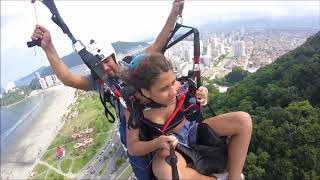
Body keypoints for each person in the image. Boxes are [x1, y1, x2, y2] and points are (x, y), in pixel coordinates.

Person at [30, 0, 185, 179]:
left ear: (113, 56)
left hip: (156, 119)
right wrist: (48, 46)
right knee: (144, 170)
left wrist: (174, 13)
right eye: (98, 65)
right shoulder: (101, 83)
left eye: (106, 61)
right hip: (132, 129)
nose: (104, 68)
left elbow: (159, 44)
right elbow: (68, 78)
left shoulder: (131, 65)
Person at [125, 53, 252, 180]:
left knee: (243, 120)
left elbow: (195, 98)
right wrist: (157, 143)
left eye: (173, 82)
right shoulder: (135, 110)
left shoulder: (180, 88)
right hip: (169, 147)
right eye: (164, 89)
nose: (173, 91)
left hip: (192, 129)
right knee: (166, 171)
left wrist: (203, 95)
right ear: (146, 92)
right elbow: (133, 147)